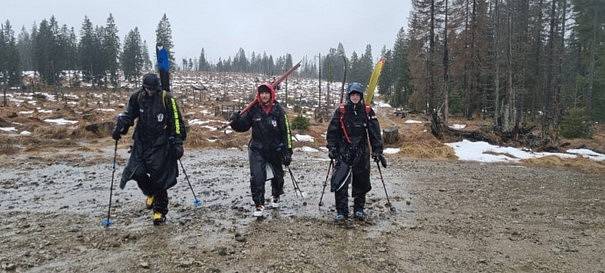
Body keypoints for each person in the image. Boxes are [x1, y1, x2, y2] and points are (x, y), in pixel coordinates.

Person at [112, 73, 186, 225]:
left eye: (154, 89)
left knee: (159, 179)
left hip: (160, 144)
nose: (151, 92)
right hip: (141, 142)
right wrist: (120, 127)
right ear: (144, 87)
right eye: (149, 89)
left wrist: (177, 141)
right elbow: (128, 114)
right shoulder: (137, 97)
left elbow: (177, 120)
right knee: (136, 172)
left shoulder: (167, 98)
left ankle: (159, 211)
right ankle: (149, 193)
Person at [230, 83, 293, 217]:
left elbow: (286, 131)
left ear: (271, 94)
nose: (264, 95)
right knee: (257, 177)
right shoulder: (254, 110)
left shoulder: (278, 110)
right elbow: (243, 126)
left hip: (275, 149)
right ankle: (259, 204)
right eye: (261, 93)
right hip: (257, 149)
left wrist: (288, 151)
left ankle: (276, 195)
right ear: (259, 95)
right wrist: (235, 121)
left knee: (278, 177)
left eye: (266, 93)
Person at [326, 82, 386, 222]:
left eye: (357, 94)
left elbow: (374, 133)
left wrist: (377, 150)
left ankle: (359, 209)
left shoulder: (367, 111)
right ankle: (342, 211)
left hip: (362, 150)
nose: (354, 97)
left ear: (361, 96)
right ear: (349, 95)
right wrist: (332, 148)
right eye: (352, 94)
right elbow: (332, 131)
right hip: (343, 151)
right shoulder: (341, 111)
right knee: (340, 181)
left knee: (361, 180)